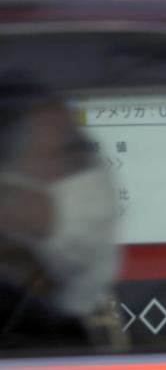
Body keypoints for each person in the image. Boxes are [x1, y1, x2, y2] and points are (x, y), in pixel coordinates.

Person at [0, 76, 121, 350]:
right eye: (70, 161)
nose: (92, 181)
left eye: (89, 160)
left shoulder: (38, 314)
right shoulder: (27, 335)